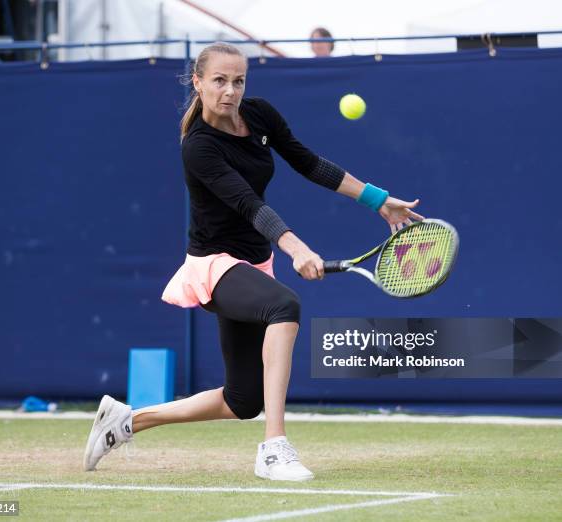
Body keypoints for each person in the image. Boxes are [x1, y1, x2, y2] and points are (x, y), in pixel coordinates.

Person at [83, 42, 423, 481]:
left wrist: (378, 200)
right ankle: (274, 448)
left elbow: (309, 163)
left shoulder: (260, 115)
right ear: (198, 82)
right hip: (213, 263)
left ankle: (126, 422)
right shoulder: (199, 148)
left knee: (242, 401)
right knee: (285, 306)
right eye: (220, 81)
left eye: (238, 81)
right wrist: (297, 248)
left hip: (254, 264)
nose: (230, 91)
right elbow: (247, 203)